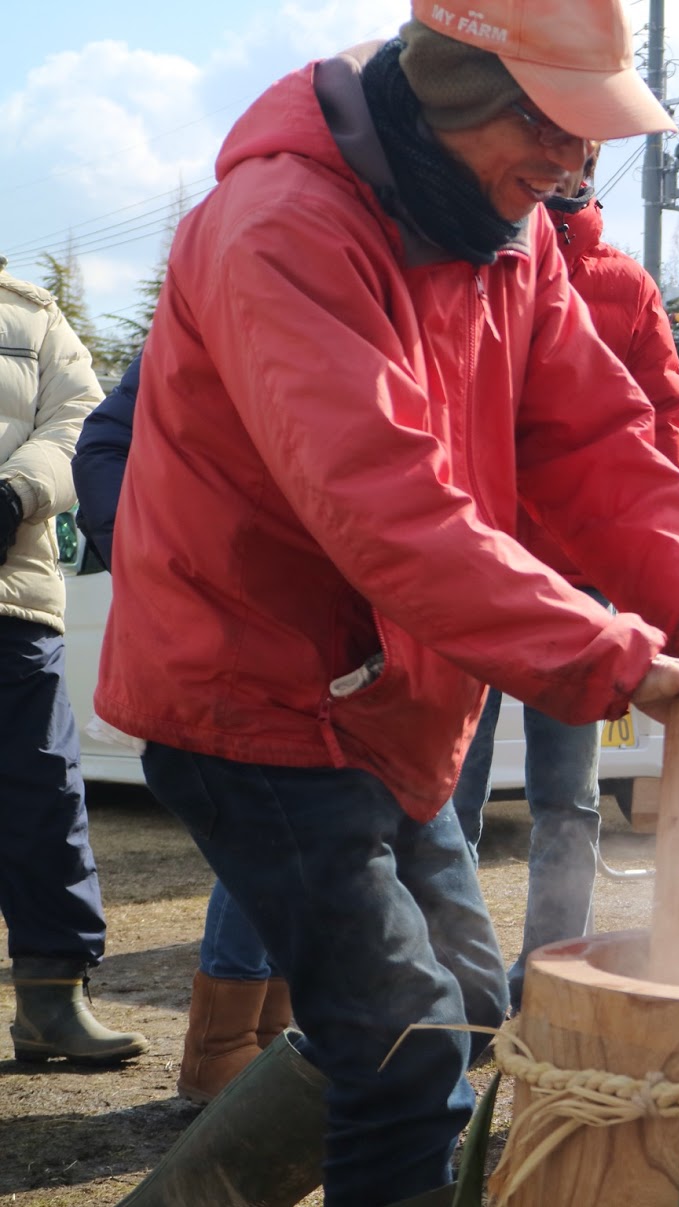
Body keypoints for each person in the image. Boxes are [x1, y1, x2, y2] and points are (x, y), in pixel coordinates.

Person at [99, 4, 679, 1205]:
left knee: (455, 1013)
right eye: (550, 130)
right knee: (404, 1040)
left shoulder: (506, 227)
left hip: (392, 694)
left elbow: (596, 437)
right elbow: (387, 506)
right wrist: (615, 653)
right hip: (253, 694)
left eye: (592, 143)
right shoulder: (281, 225)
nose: (573, 167)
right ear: (450, 94)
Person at [448, 145, 679, 1012]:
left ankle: (551, 971)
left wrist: (658, 577)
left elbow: (662, 425)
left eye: (582, 151)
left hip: (583, 582)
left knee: (569, 796)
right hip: (473, 569)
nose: (564, 165)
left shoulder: (624, 284)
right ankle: (464, 977)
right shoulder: (465, 254)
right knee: (450, 786)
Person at [72, 354, 293, 1106]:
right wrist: (152, 560)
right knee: (264, 820)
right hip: (232, 621)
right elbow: (104, 447)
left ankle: (275, 1039)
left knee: (322, 834)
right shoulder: (215, 304)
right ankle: (221, 1048)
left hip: (334, 620)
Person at [0, 256, 146, 1068]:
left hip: (12, 601)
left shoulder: (33, 314)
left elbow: (80, 424)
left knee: (44, 799)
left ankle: (52, 1003)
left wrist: (16, 493)